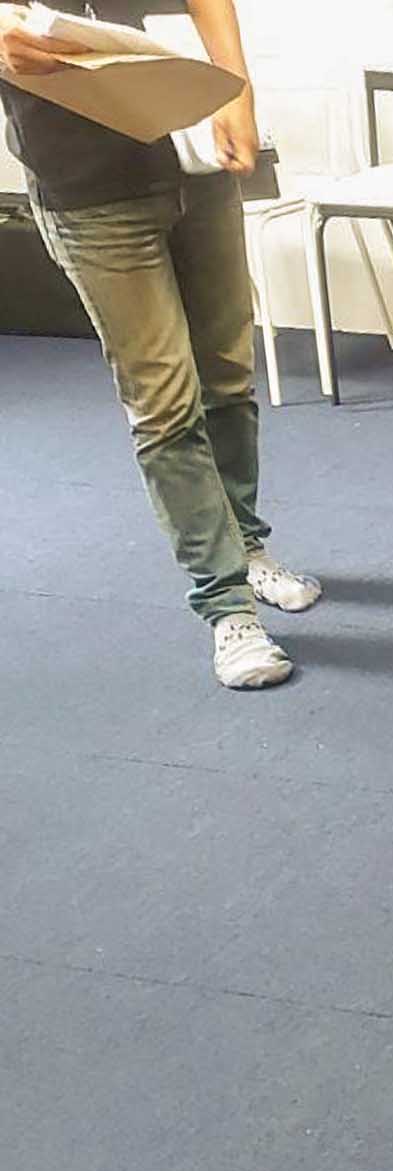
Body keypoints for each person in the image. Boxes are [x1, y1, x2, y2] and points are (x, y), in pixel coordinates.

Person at [1, 0, 318, 689]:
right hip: (85, 188)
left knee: (227, 376)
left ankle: (246, 546)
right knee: (165, 405)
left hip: (192, 158)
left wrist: (237, 93)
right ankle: (227, 607)